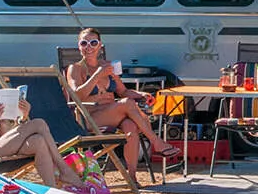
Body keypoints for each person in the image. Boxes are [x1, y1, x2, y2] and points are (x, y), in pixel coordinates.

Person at [65, 27, 180, 181]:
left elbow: (123, 92)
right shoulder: (75, 69)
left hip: (113, 114)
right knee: (126, 104)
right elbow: (77, 95)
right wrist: (98, 74)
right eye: (84, 43)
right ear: (79, 46)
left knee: (131, 127)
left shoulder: (108, 66)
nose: (89, 47)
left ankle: (131, 178)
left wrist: (141, 94)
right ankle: (156, 142)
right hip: (89, 118)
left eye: (93, 43)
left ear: (100, 45)